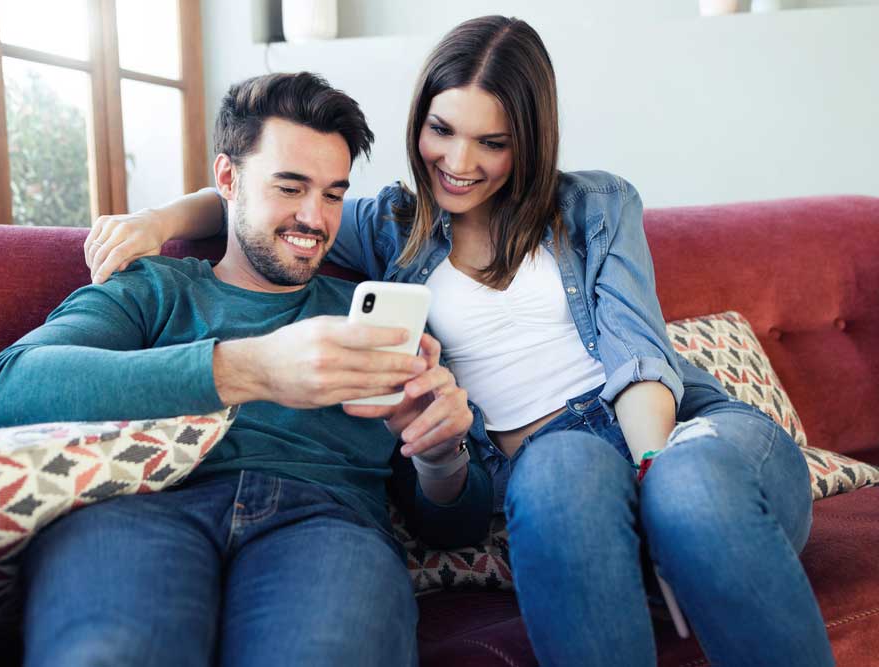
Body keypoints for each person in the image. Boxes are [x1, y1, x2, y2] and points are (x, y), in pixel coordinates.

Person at [85, 15, 835, 667]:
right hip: (548, 462)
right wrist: (158, 222)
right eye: (442, 129)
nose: (460, 162)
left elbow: (638, 352)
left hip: (681, 432)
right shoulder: (390, 224)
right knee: (559, 474)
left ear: (529, 142)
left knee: (684, 486)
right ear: (419, 120)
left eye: (492, 142)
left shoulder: (597, 204)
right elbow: (274, 198)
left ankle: (667, 504)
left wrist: (647, 469)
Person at [0, 71, 494, 667]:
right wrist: (251, 369)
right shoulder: (153, 288)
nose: (315, 219)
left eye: (332, 194)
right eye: (290, 187)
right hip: (144, 509)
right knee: (111, 654)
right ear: (227, 178)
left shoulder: (376, 325)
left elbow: (455, 528)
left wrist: (439, 455)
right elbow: (2, 393)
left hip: (325, 526)